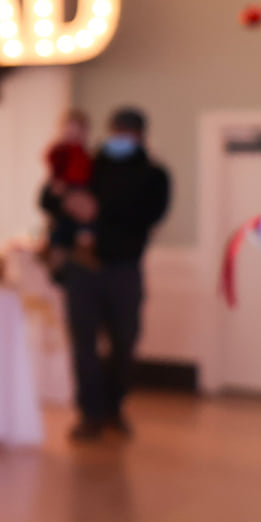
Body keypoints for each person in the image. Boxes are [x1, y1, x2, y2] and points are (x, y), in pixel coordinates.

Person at [42, 107, 170, 441]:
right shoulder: (88, 165)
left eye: (127, 132)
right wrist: (65, 198)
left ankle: (115, 407)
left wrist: (100, 211)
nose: (120, 137)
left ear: (140, 136)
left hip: (124, 269)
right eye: (116, 130)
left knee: (124, 343)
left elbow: (148, 216)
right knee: (83, 344)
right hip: (83, 268)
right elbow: (49, 199)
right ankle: (90, 413)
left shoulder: (154, 175)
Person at [42, 109, 97, 271]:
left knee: (85, 231)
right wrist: (61, 194)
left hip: (83, 202)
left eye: (77, 131)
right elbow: (47, 200)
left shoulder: (91, 159)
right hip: (63, 210)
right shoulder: (60, 154)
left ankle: (84, 250)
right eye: (69, 130)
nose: (73, 135)